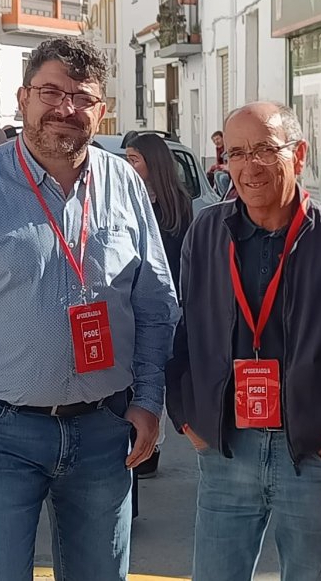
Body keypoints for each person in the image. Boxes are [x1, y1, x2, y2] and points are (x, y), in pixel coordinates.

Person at [0, 35, 179, 581]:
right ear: (23, 98)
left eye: (83, 98)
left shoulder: (124, 183)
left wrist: (148, 400)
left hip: (104, 430)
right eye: (51, 92)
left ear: (102, 110)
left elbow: (156, 305)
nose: (65, 108)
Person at [167, 101, 321, 581]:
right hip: (226, 448)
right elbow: (184, 330)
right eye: (237, 153)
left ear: (299, 155)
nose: (250, 166)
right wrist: (185, 415)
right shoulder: (206, 231)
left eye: (265, 149)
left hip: (312, 455)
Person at [124, 132, 193, 480]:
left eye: (134, 159)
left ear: (153, 163)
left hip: (168, 302)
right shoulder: (124, 198)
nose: (128, 166)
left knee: (157, 372)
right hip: (131, 301)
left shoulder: (175, 204)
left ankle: (153, 445)